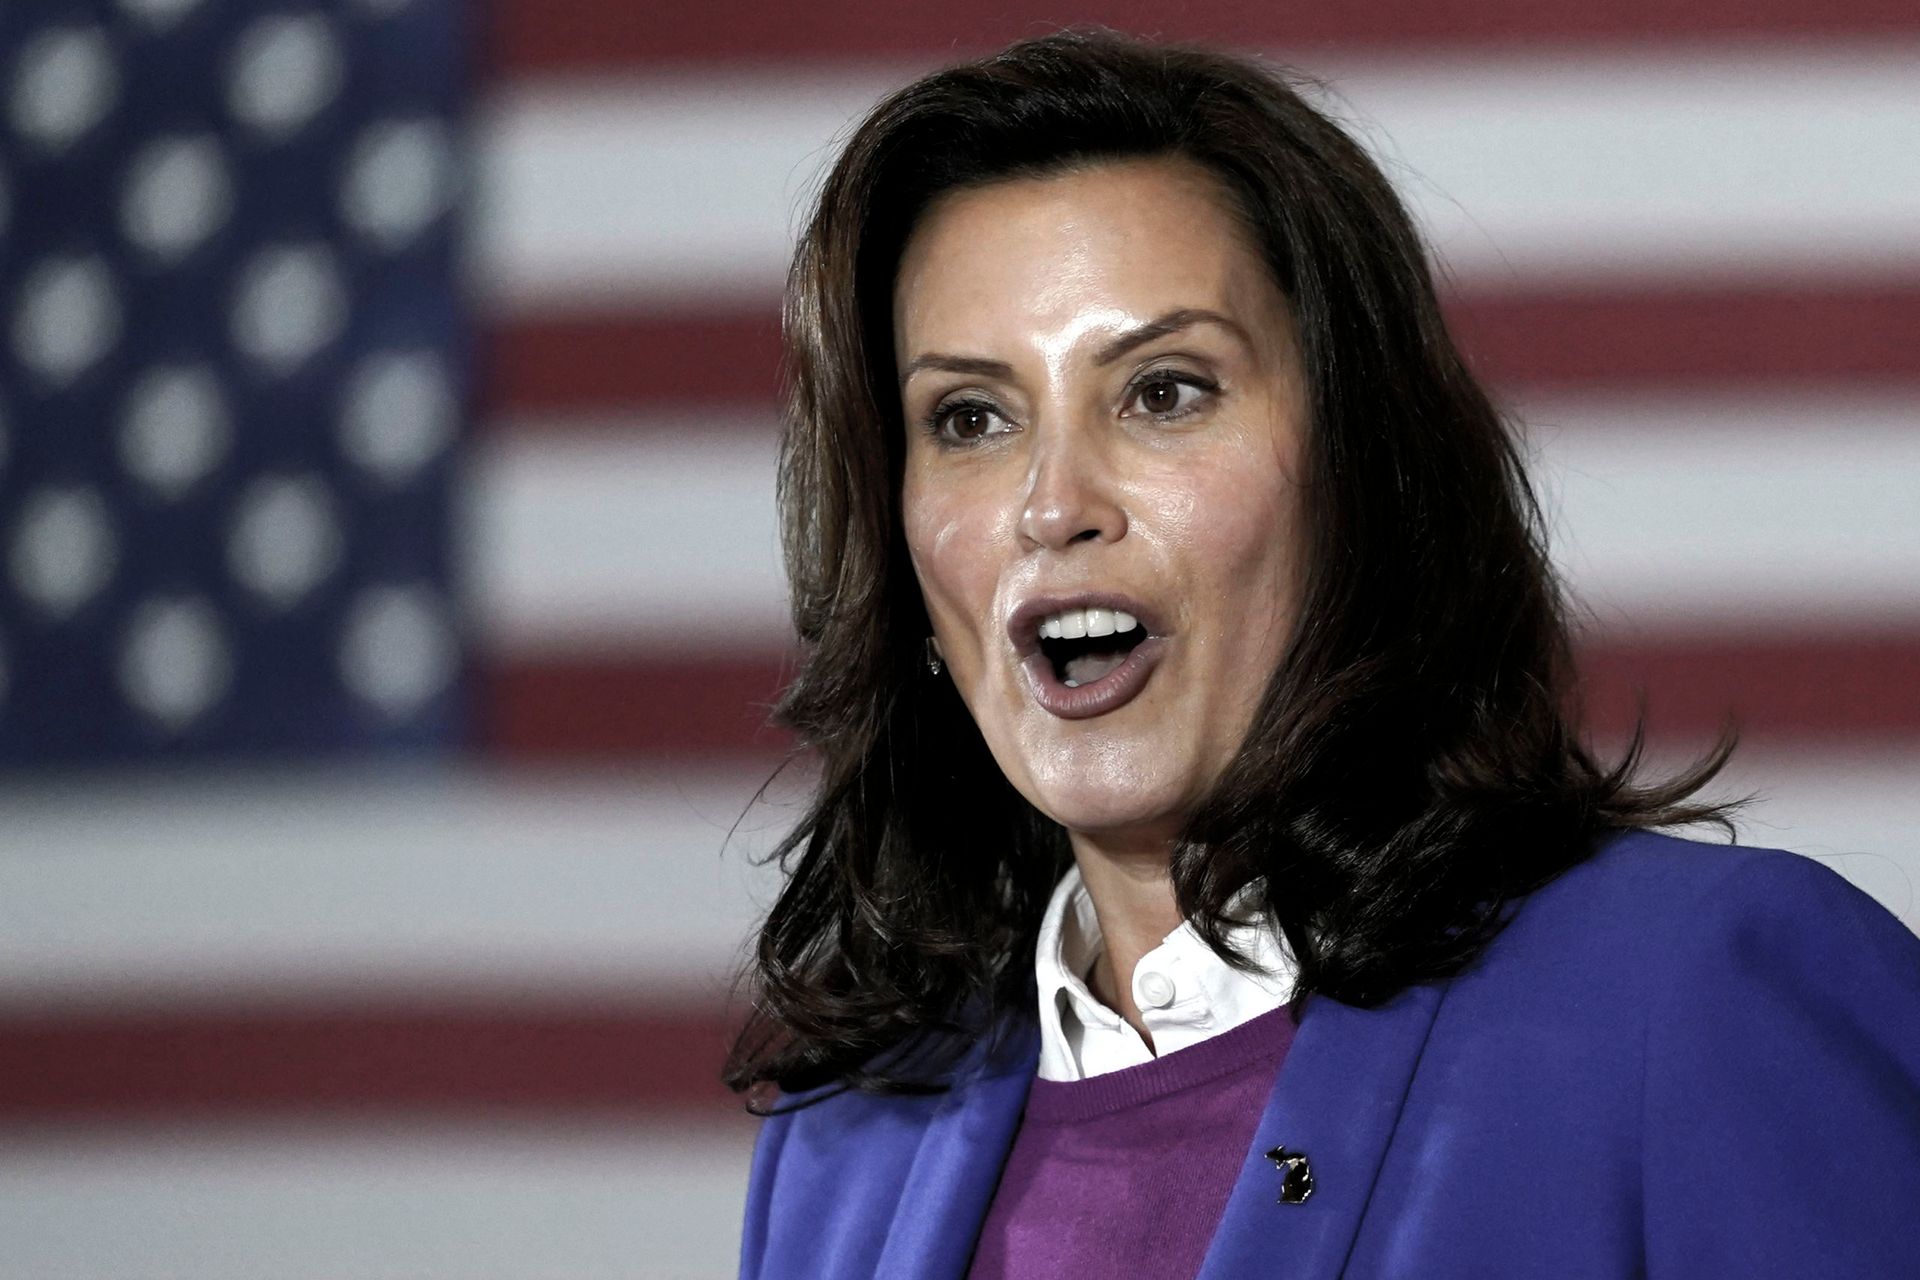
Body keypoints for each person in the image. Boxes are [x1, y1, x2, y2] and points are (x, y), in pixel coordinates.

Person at [724, 29, 1920, 1280]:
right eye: (970, 417)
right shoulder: (841, 1146)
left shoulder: (1691, 1000)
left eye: (1164, 391)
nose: (1053, 503)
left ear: (1362, 473)